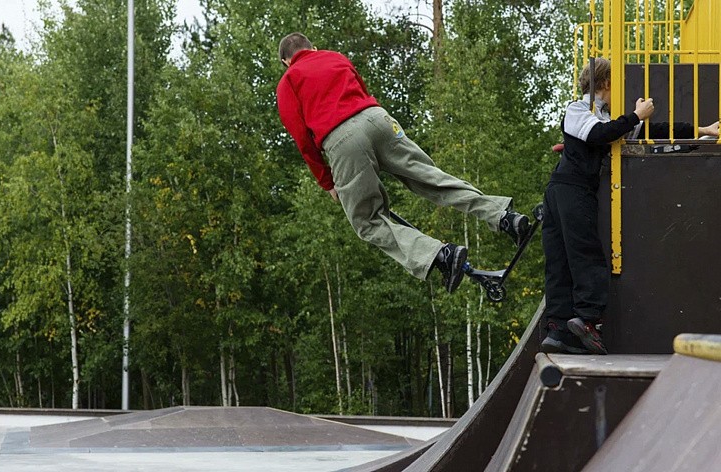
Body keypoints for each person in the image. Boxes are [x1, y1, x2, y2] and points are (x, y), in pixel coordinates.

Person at [275, 32, 530, 293]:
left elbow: (302, 139)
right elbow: (361, 89)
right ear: (313, 48)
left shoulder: (288, 83)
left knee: (367, 222)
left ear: (286, 61)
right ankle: (503, 216)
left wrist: (328, 182)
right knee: (429, 176)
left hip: (342, 137)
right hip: (377, 118)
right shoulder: (335, 58)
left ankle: (440, 255)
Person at [540, 57, 720, 355]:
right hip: (568, 189)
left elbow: (655, 131)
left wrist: (702, 129)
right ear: (607, 83)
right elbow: (598, 134)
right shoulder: (580, 109)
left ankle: (562, 329)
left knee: (566, 257)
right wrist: (635, 115)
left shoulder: (610, 119)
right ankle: (583, 322)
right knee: (579, 255)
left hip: (567, 190)